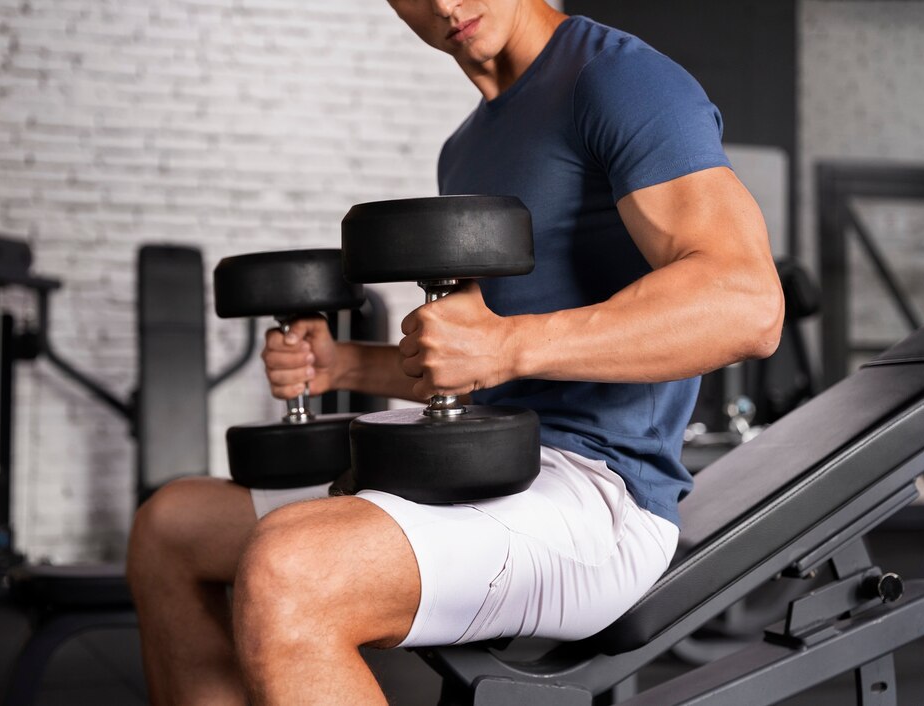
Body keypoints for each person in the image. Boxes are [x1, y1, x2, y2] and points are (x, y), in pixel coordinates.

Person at [125, 1, 784, 704]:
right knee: (171, 528)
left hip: (602, 495)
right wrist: (344, 364)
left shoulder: (619, 81)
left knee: (291, 569)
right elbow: (480, 367)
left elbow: (748, 305)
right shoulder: (466, 146)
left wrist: (505, 345)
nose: (444, 3)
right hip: (486, 460)